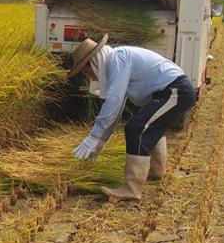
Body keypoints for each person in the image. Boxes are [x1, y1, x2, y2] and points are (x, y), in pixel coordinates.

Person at [70, 35, 198, 202]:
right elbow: (117, 108)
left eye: (87, 71)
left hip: (176, 90)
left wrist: (93, 136)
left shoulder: (117, 59)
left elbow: (114, 101)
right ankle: (156, 171)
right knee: (148, 125)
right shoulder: (115, 61)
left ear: (94, 62)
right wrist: (100, 140)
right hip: (170, 91)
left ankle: (132, 189)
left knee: (136, 128)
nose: (90, 76)